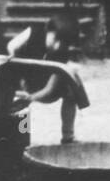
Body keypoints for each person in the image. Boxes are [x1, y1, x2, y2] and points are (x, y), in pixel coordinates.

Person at [6, 13, 85, 143]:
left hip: (43, 87)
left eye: (63, 43)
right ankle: (21, 138)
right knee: (20, 107)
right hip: (23, 79)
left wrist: (31, 98)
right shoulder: (34, 31)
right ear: (49, 30)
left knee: (72, 83)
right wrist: (13, 57)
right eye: (56, 39)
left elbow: (49, 89)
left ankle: (68, 136)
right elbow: (11, 46)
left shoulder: (62, 54)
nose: (58, 46)